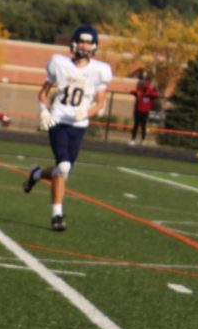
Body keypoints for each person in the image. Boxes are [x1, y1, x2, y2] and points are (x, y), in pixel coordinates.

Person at [23, 24, 112, 232]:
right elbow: (43, 93)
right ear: (74, 43)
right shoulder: (59, 64)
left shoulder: (100, 71)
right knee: (62, 167)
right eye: (81, 41)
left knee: (63, 170)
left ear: (95, 46)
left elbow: (100, 103)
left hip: (79, 125)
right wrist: (43, 111)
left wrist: (86, 112)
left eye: (89, 42)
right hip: (58, 120)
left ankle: (36, 175)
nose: (84, 46)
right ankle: (57, 215)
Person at [130, 71, 160, 145]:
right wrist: (141, 92)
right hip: (138, 111)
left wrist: (148, 92)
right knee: (136, 125)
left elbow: (156, 94)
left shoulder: (151, 95)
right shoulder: (140, 92)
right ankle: (133, 139)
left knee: (143, 126)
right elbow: (132, 92)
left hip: (145, 112)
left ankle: (143, 140)